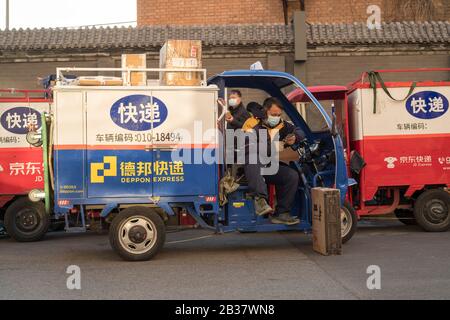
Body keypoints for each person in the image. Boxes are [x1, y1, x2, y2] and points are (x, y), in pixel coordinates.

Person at [242, 97, 304, 225]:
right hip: (252, 168)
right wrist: (273, 147)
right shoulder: (252, 124)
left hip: (269, 167)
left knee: (291, 176)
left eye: (279, 115)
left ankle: (282, 213)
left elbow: (300, 131)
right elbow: (248, 146)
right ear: (265, 111)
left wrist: (295, 137)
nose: (276, 117)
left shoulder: (283, 125)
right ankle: (260, 200)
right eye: (273, 114)